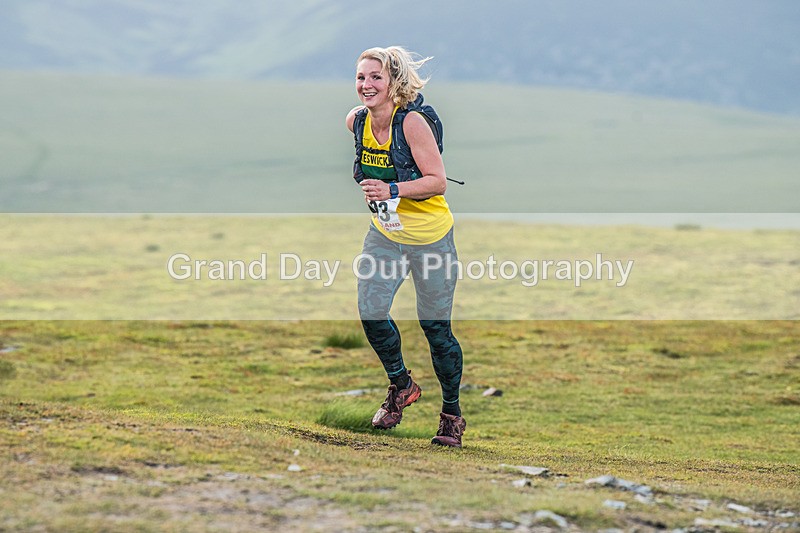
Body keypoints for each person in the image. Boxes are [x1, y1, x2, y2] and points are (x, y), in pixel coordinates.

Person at [345, 46, 466, 448]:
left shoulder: (411, 123)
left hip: (431, 238)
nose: (366, 85)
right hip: (386, 236)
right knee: (371, 311)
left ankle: (451, 415)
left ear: (394, 82)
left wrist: (391, 189)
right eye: (362, 77)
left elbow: (437, 181)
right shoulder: (357, 121)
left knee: (436, 330)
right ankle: (402, 386)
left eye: (376, 77)